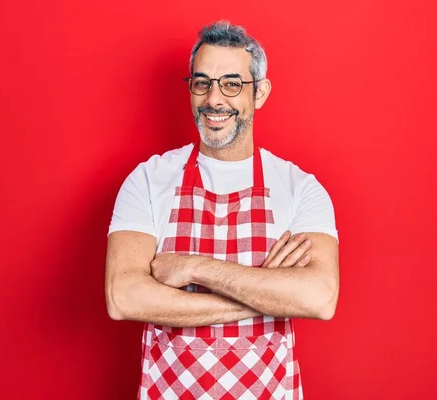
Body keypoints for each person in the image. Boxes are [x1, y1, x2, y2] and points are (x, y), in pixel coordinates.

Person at [105, 20, 339, 400]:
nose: (214, 99)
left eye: (232, 84)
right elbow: (124, 297)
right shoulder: (148, 179)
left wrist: (193, 267)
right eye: (202, 83)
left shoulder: (300, 188)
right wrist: (263, 291)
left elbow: (319, 298)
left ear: (259, 93)